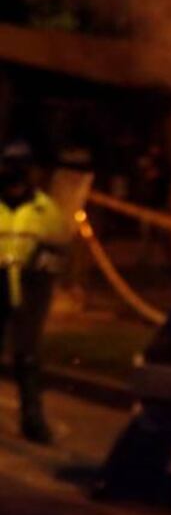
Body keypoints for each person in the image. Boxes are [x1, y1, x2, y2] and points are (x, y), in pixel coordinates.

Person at [0, 140, 67, 444]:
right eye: (9, 167)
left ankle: (32, 420)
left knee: (27, 357)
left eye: (20, 168)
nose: (14, 175)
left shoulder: (46, 209)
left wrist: (40, 271)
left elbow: (58, 248)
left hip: (30, 288)